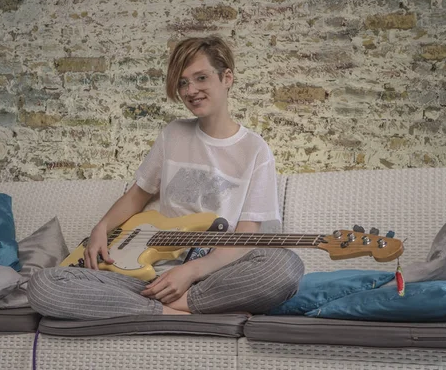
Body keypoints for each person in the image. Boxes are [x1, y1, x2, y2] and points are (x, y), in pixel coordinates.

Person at [27, 35, 304, 319]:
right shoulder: (173, 134)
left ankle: (181, 302)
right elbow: (137, 195)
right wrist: (101, 227)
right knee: (43, 285)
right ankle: (166, 310)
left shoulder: (255, 150)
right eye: (183, 82)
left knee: (285, 266)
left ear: (227, 78)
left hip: (209, 274)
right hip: (141, 277)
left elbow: (245, 237)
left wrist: (190, 271)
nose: (190, 90)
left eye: (201, 78)